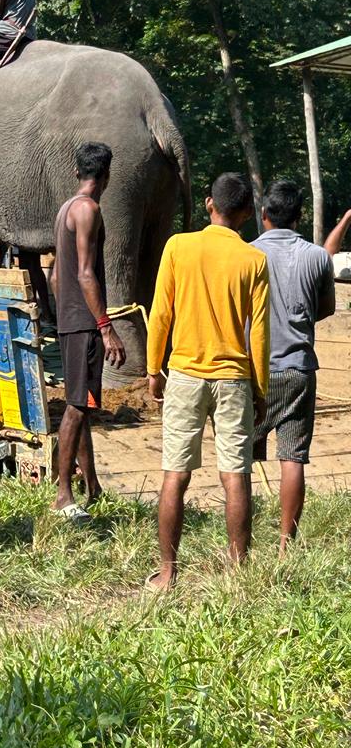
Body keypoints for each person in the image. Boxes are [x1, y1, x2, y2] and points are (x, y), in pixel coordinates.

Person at [146, 173, 270, 590]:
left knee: (175, 475)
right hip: (234, 379)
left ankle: (167, 572)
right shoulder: (254, 260)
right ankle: (238, 573)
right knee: (235, 474)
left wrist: (152, 369)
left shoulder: (179, 247)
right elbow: (259, 333)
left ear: (208, 204)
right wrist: (261, 388)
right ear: (248, 215)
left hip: (184, 374)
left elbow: (161, 313)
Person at [251, 181, 335, 554]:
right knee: (292, 457)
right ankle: (286, 543)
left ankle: (241, 540)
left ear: (264, 214)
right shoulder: (317, 257)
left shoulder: (248, 254)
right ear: (299, 216)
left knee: (240, 458)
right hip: (299, 369)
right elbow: (326, 308)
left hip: (255, 371)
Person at [50, 142, 126, 520]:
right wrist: (105, 326)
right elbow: (84, 271)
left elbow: (54, 274)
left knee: (84, 405)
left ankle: (91, 485)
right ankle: (64, 494)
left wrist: (63, 312)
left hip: (71, 319)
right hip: (83, 322)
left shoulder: (66, 208)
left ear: (78, 172)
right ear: (106, 176)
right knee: (76, 408)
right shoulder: (89, 210)